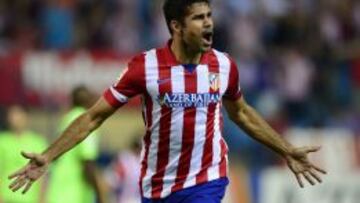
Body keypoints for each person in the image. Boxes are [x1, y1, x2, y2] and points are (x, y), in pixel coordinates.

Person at [8, 1, 327, 203]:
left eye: (209, 15)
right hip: (158, 185)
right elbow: (94, 117)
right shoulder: (144, 67)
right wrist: (49, 156)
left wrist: (285, 149)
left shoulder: (223, 65)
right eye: (198, 18)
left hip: (207, 179)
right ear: (176, 26)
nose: (209, 23)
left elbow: (241, 113)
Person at [46, 86, 106, 203]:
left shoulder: (66, 120)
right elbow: (87, 162)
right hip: (75, 196)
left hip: (56, 193)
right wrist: (100, 194)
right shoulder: (86, 122)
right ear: (90, 102)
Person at [0, 105, 47, 203]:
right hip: (7, 197)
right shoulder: (2, 140)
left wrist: (42, 198)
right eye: (12, 115)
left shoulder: (38, 142)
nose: (14, 118)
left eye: (18, 114)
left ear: (26, 116)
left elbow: (43, 175)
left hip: (30, 199)